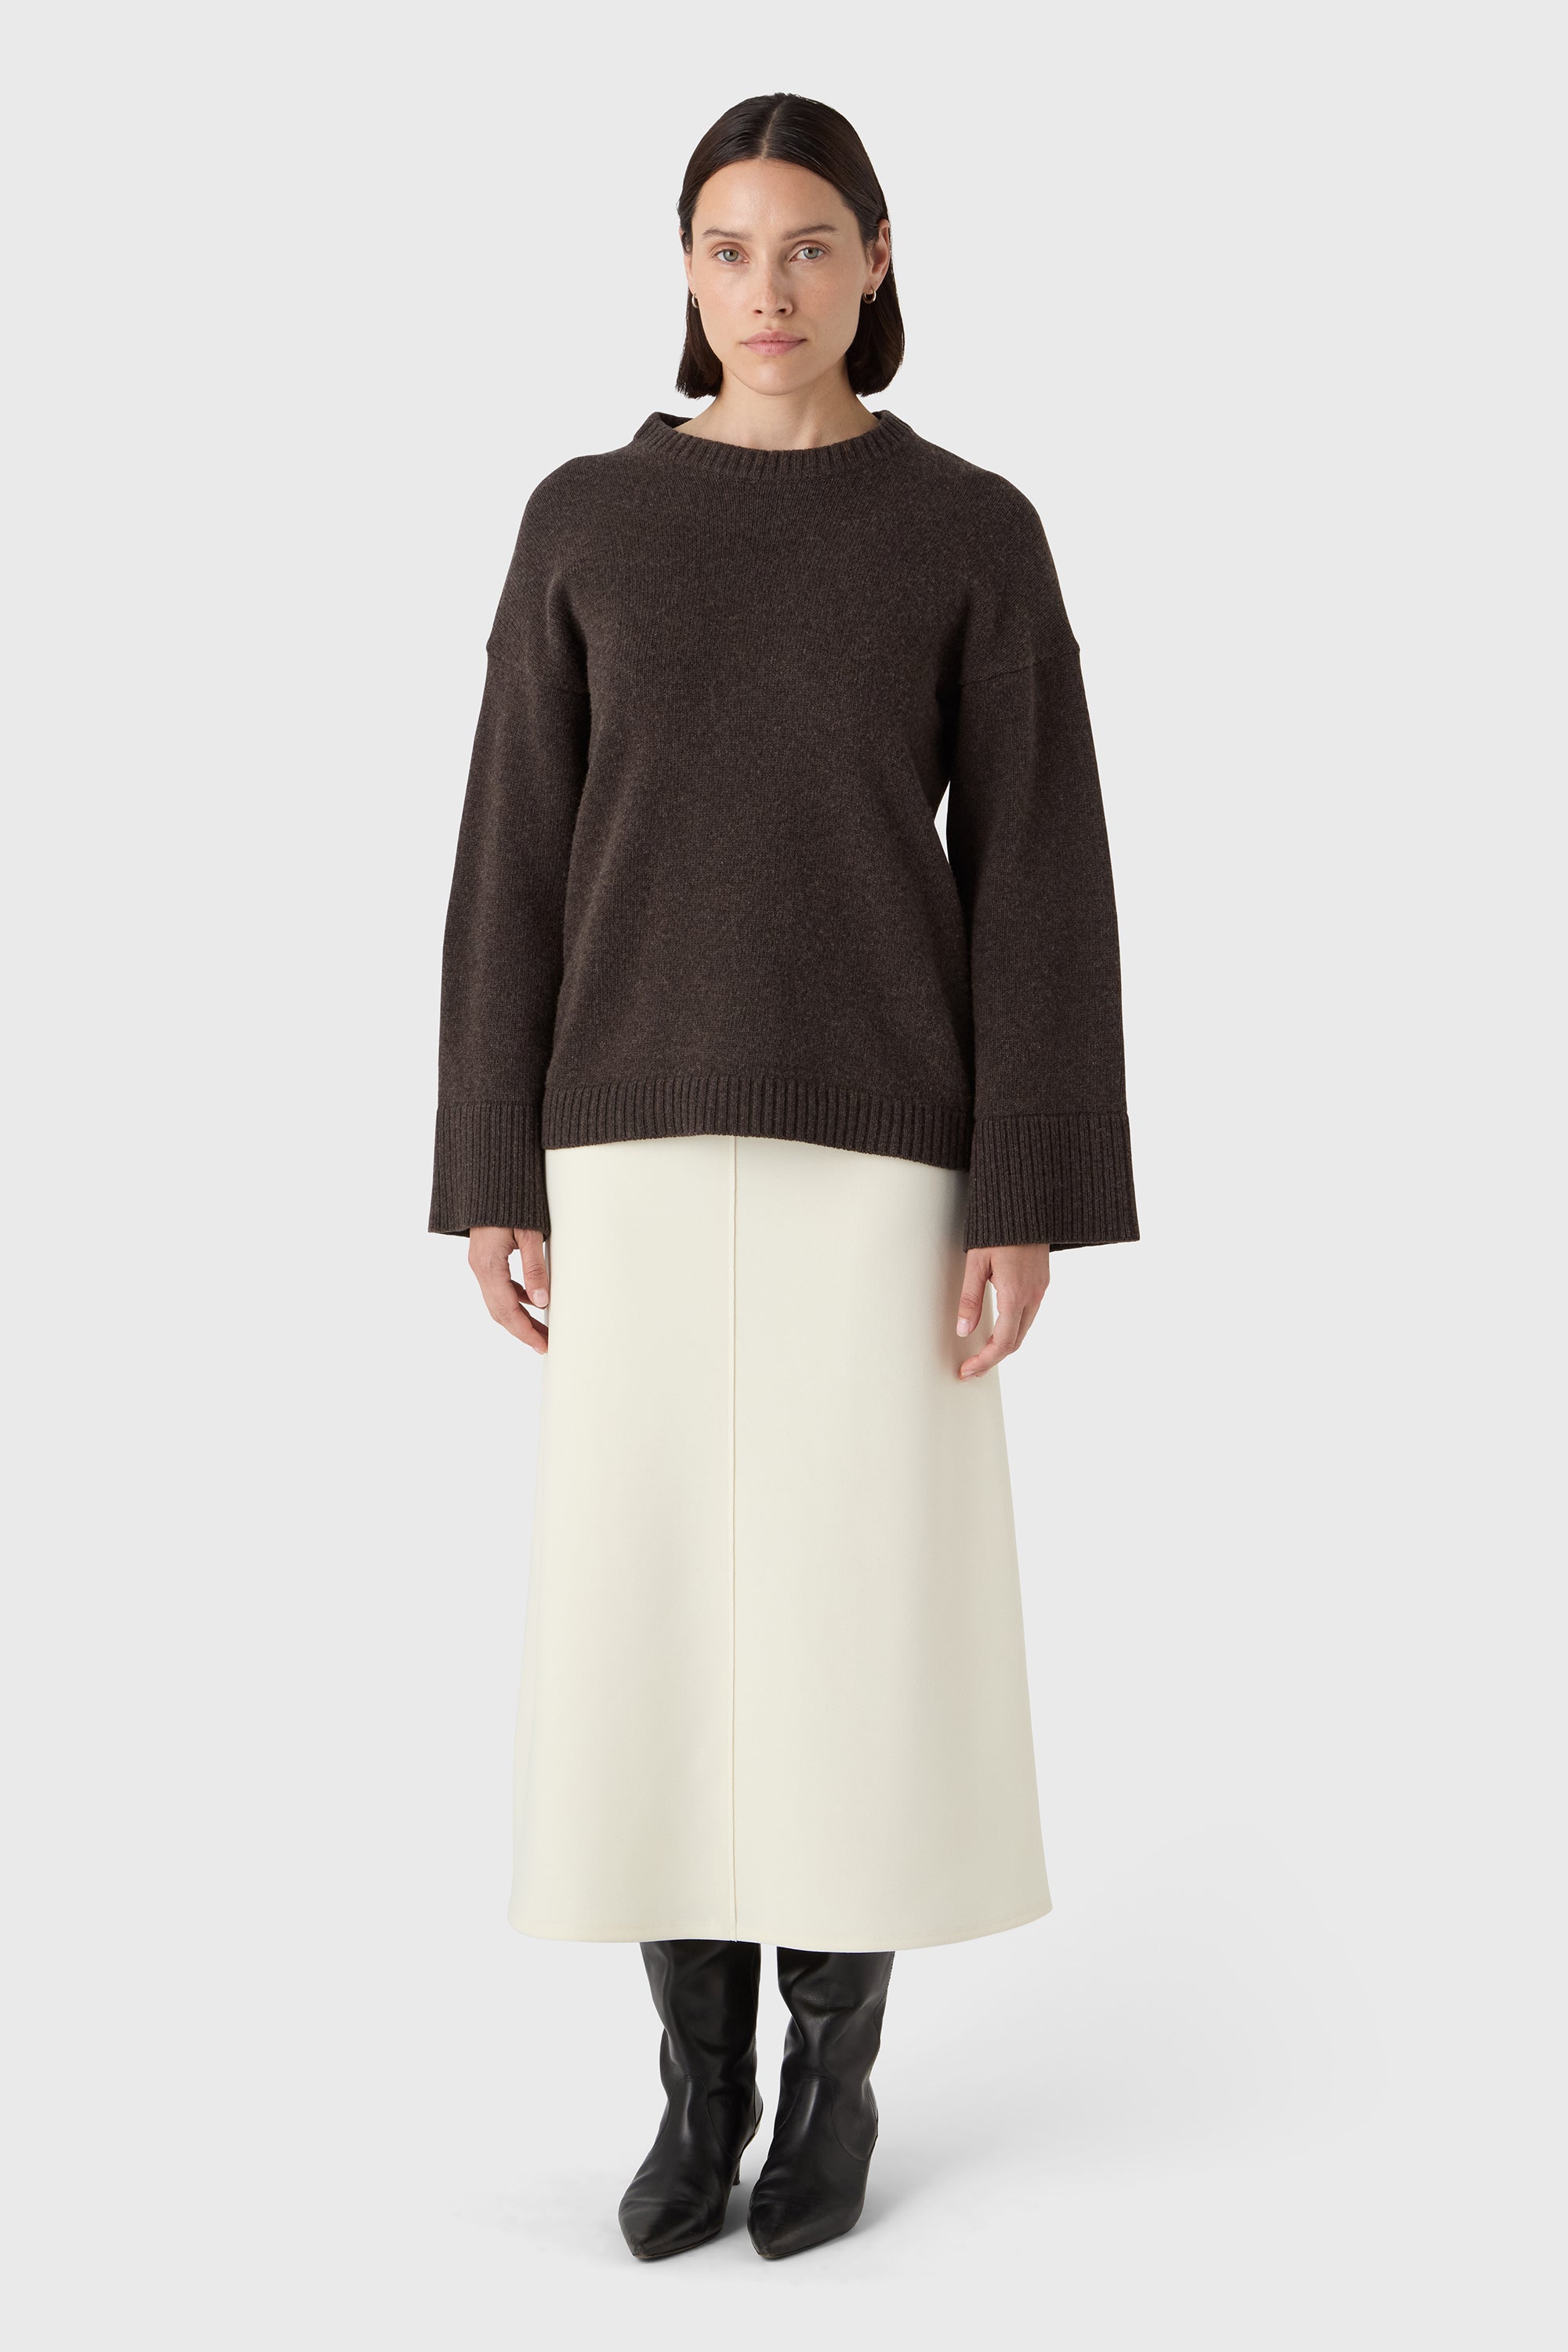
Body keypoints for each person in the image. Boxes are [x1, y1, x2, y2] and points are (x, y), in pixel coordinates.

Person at [429, 90, 1139, 2263]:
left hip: (885, 1152)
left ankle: (834, 2081)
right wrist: (489, 1162)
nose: (769, 288)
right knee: (652, 1610)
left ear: (878, 262)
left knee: (855, 1614)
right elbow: (513, 852)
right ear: (685, 269)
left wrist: (1023, 1185)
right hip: (626, 1144)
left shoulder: (969, 530)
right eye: (730, 249)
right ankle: (699, 2088)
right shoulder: (585, 520)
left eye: (810, 246)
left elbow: (1039, 872)